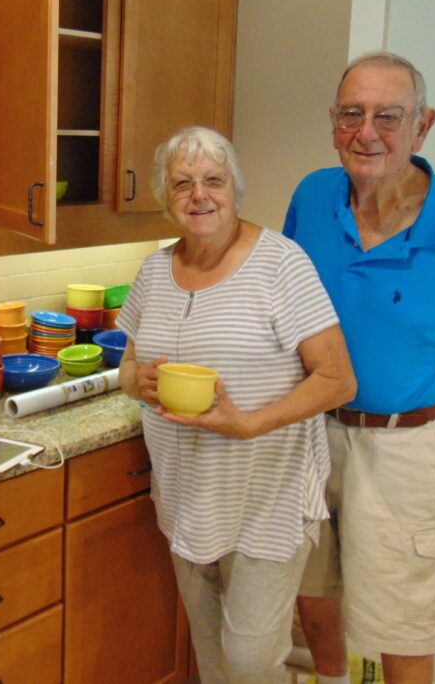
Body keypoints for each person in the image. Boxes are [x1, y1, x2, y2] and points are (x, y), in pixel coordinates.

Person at [283, 52, 435, 684]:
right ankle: (333, 678)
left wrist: (416, 400)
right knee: (312, 586)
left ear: (423, 126)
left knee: (403, 618)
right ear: (333, 122)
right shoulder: (311, 198)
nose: (367, 133)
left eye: (388, 116)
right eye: (351, 114)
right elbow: (284, 304)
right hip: (309, 436)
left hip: (404, 450)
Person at [117, 126, 357, 683]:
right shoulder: (155, 271)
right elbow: (127, 369)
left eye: (213, 181)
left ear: (235, 189)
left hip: (264, 496)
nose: (199, 196)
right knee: (211, 652)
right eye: (183, 184)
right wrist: (140, 382)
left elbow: (338, 379)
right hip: (185, 496)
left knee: (249, 659)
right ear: (165, 196)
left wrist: (250, 424)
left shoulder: (281, 263)